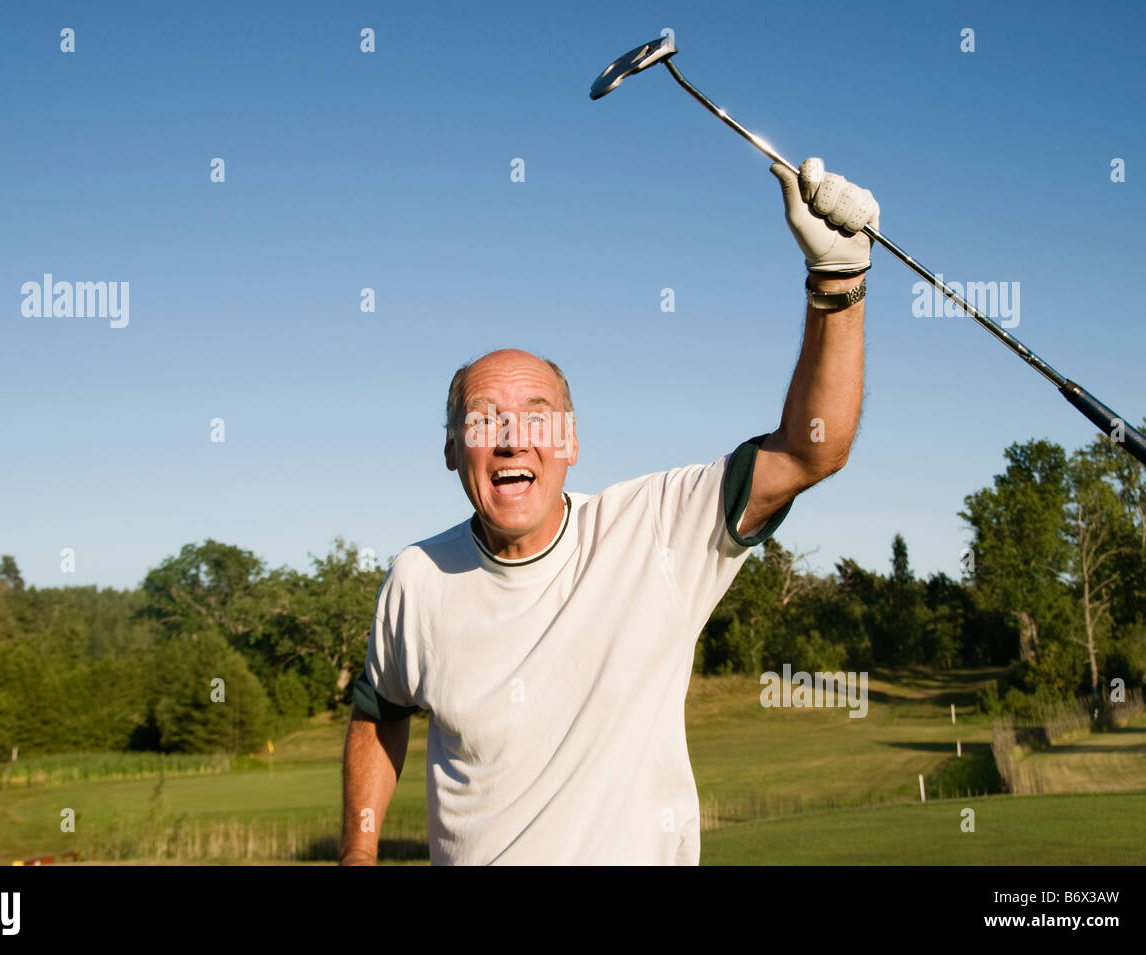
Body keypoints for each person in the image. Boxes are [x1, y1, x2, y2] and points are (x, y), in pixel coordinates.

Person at [339, 158, 878, 865]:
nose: (510, 437)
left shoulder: (656, 528)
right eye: (483, 419)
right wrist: (358, 850)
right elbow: (380, 713)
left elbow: (814, 450)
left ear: (570, 443)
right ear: (451, 449)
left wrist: (836, 286)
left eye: (538, 417)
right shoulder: (417, 577)